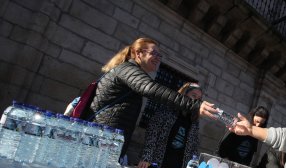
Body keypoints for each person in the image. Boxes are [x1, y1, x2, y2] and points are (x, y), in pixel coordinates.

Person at [79, 37, 217, 158]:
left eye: (160, 55)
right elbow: (150, 89)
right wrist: (194, 105)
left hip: (107, 138)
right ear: (138, 54)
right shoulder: (127, 69)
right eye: (154, 53)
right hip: (100, 138)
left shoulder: (129, 70)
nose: (158, 58)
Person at [137, 82, 203, 168]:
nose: (196, 100)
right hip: (157, 164)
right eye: (193, 95)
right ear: (184, 94)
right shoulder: (167, 109)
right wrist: (146, 157)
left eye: (199, 99)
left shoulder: (194, 120)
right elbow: (152, 133)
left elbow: (194, 146)